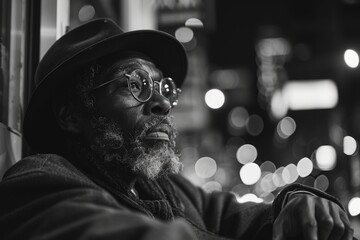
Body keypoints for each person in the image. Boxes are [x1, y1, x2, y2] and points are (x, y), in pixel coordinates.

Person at [0, 18, 355, 240]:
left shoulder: (168, 188)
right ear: (70, 116)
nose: (162, 104)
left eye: (164, 88)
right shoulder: (40, 179)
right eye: (135, 84)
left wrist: (296, 203)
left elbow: (241, 217)